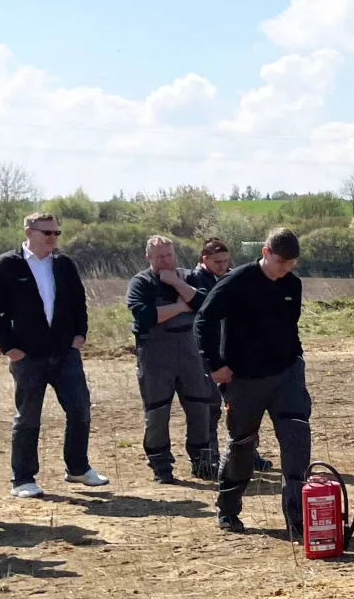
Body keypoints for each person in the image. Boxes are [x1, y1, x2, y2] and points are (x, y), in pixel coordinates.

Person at [196, 228, 311, 537]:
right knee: (242, 445)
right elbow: (203, 322)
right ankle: (228, 510)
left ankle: (297, 516)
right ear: (265, 253)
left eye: (291, 263)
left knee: (297, 437)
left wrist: (296, 360)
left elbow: (290, 327)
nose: (285, 269)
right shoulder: (235, 283)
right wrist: (215, 366)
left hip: (287, 374)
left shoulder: (292, 285)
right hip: (245, 380)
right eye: (280, 262)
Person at [0, 213, 107, 498]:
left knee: (80, 410)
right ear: (29, 231)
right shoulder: (5, 265)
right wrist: (9, 348)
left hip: (65, 353)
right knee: (28, 417)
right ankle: (23, 479)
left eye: (56, 233)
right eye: (47, 232)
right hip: (28, 356)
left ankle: (77, 468)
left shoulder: (63, 265)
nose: (53, 237)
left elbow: (79, 302)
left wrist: (80, 335)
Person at [127, 235, 219, 484]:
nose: (165, 260)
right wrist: (180, 307)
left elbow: (204, 305)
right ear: (149, 258)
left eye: (169, 255)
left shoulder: (188, 276)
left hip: (190, 352)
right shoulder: (141, 282)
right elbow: (145, 317)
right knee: (157, 412)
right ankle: (161, 465)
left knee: (200, 407)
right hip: (155, 356)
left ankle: (202, 462)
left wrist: (177, 284)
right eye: (159, 257)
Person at [186, 237, 271, 473]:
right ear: (204, 259)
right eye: (217, 261)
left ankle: (249, 453)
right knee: (209, 409)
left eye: (225, 261)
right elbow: (200, 307)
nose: (222, 266)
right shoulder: (193, 279)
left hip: (233, 352)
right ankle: (208, 458)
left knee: (244, 407)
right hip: (205, 352)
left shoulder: (234, 277)